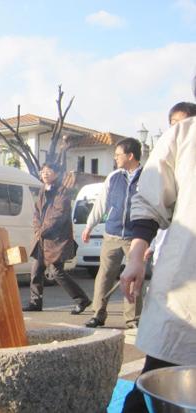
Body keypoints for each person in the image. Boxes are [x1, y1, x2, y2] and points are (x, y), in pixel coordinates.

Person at [119, 81, 196, 413]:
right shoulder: (184, 135)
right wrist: (136, 256)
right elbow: (151, 199)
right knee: (158, 381)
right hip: (187, 284)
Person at [82, 138, 143, 329]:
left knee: (132, 279)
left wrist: (152, 242)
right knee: (104, 276)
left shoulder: (148, 177)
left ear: (130, 155)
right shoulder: (114, 176)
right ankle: (98, 314)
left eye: (118, 154)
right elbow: (101, 203)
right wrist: (89, 226)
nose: (115, 158)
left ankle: (132, 320)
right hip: (112, 234)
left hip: (135, 238)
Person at [22, 163, 91, 314]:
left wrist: (42, 230)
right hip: (42, 239)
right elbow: (37, 213)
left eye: (49, 171)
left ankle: (81, 299)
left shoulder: (62, 192)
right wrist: (38, 229)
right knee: (36, 271)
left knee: (56, 272)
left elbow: (58, 215)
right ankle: (35, 302)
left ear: (56, 174)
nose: (45, 174)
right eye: (43, 171)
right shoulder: (42, 190)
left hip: (56, 240)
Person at [143, 102, 196, 266]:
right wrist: (148, 245)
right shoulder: (163, 165)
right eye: (173, 125)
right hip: (170, 250)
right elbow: (154, 205)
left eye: (184, 124)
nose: (177, 130)